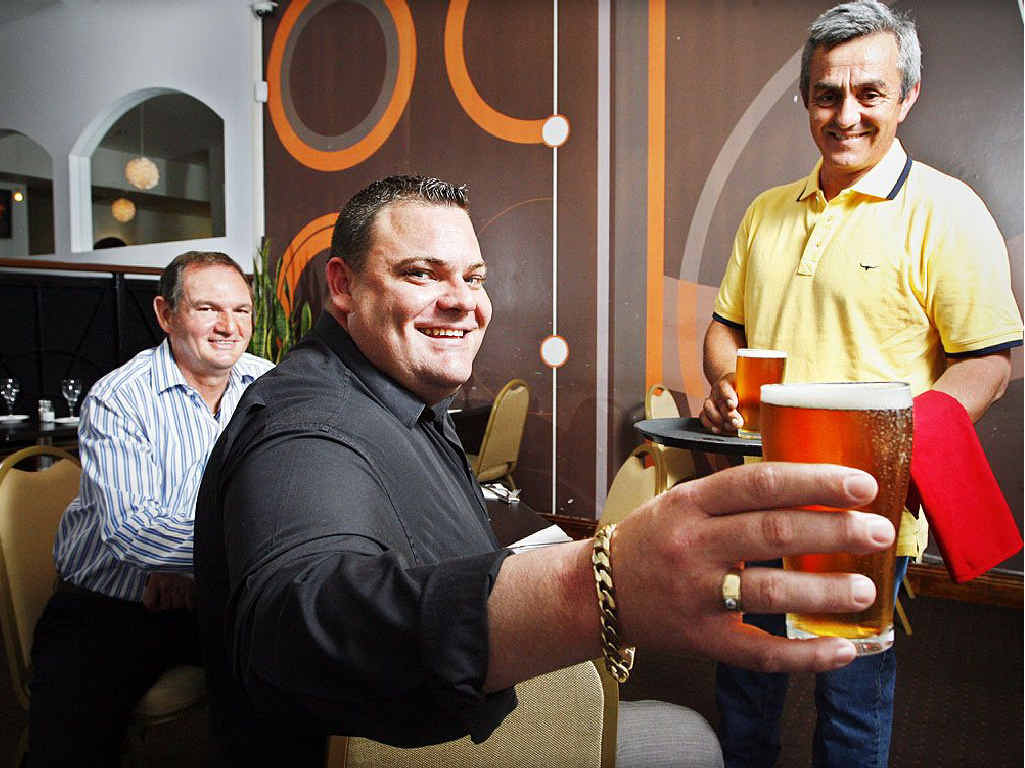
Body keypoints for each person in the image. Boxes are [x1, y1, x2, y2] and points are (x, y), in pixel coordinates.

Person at [194, 175, 902, 766]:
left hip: (458, 707)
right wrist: (594, 584)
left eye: (472, 277)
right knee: (690, 743)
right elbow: (297, 621)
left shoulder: (397, 393)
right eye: (420, 273)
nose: (462, 300)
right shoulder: (305, 419)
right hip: (394, 742)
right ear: (342, 287)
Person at [699, 3, 1024, 767]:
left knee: (848, 703)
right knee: (742, 680)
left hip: (861, 511)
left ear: (906, 96)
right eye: (825, 95)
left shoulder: (948, 212)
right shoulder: (764, 212)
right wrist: (720, 381)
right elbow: (726, 327)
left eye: (868, 93)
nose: (845, 115)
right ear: (805, 99)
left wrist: (908, 449)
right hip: (752, 495)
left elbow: (989, 362)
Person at [27, 251, 273, 766]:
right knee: (68, 752)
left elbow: (283, 489)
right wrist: (220, 560)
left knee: (291, 690)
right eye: (208, 308)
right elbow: (134, 532)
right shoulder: (120, 398)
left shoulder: (269, 385)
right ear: (165, 314)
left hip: (217, 598)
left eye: (242, 310)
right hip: (109, 606)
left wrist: (193, 571)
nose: (229, 326)